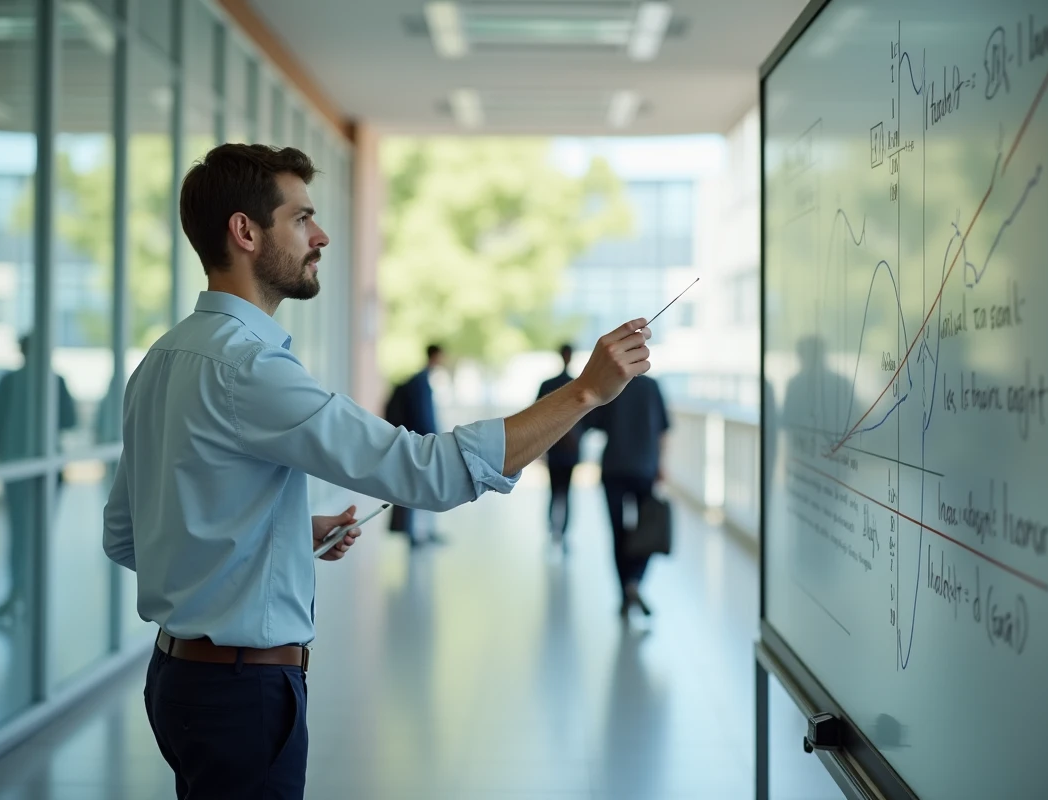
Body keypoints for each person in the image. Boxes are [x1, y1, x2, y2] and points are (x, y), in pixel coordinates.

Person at [101, 143, 653, 799]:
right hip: (240, 692)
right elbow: (431, 473)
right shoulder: (250, 369)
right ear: (245, 232)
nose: (322, 235)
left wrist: (282, 534)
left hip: (177, 681)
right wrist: (584, 393)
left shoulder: (164, 358)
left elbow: (129, 534)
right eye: (302, 218)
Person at [0, 332, 77, 627]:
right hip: (47, 467)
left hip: (15, 466)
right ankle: (30, 592)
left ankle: (18, 591)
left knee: (19, 532)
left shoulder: (9, 381)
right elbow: (69, 421)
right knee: (40, 532)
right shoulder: (54, 380)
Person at [586, 372, 669, 619]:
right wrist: (661, 465)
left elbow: (595, 422)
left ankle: (625, 592)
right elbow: (662, 431)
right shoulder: (653, 387)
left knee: (618, 533)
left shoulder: (612, 384)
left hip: (614, 467)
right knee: (647, 531)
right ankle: (635, 581)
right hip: (644, 468)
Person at [388, 343, 447, 546]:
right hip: (420, 443)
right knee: (417, 488)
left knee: (422, 488)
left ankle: (421, 532)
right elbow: (423, 416)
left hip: (420, 441)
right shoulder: (420, 382)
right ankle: (415, 534)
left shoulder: (422, 380)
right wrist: (433, 439)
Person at [536, 343, 583, 551]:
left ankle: (552, 530)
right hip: (570, 449)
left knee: (554, 491)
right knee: (565, 492)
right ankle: (561, 533)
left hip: (554, 447)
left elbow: (536, 415)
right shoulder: (578, 384)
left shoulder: (548, 384)